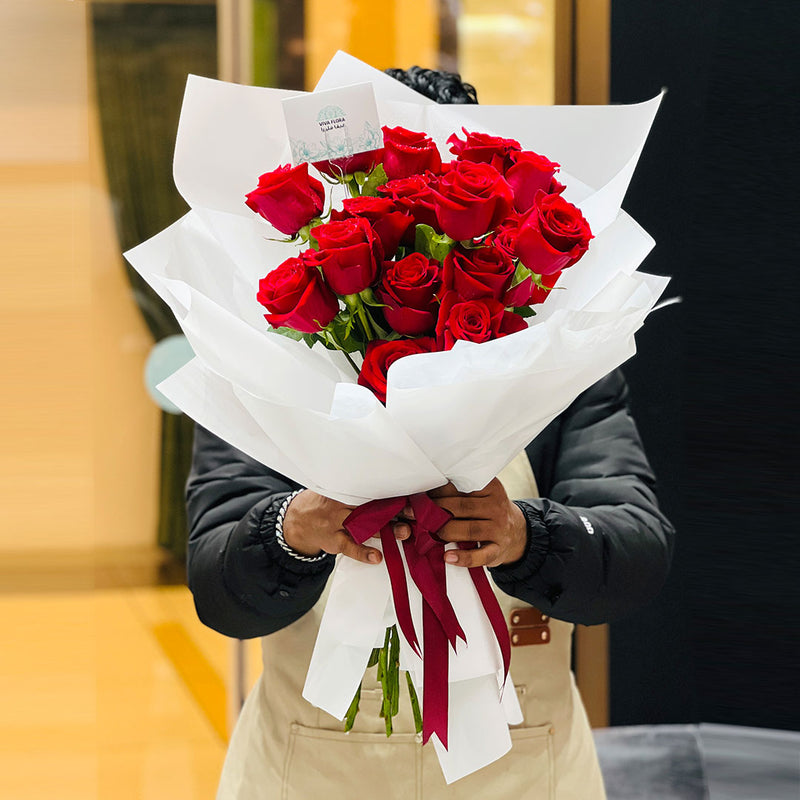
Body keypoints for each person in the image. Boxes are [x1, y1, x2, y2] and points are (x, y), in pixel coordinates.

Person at [185, 68, 675, 800]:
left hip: (523, 769)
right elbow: (217, 587)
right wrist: (292, 527)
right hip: (310, 768)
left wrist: (526, 536)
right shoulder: (267, 359)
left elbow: (636, 549)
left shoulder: (564, 363)